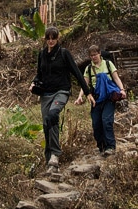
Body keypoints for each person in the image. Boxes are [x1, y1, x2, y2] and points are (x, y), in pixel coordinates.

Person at [29, 26, 94, 171]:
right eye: (48, 38)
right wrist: (34, 82)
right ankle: (50, 159)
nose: (51, 41)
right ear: (45, 39)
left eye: (54, 38)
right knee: (47, 124)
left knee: (53, 115)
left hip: (62, 91)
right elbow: (39, 73)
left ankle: (55, 154)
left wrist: (87, 92)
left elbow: (77, 73)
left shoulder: (64, 53)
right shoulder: (42, 54)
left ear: (58, 38)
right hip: (46, 93)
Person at [75, 45, 126, 156]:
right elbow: (85, 84)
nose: (93, 57)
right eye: (91, 55)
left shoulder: (108, 64)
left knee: (106, 121)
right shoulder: (89, 68)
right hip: (96, 99)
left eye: (95, 54)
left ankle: (110, 146)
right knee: (96, 123)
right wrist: (80, 96)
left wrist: (122, 90)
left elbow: (116, 78)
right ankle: (101, 146)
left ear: (100, 53)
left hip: (108, 98)